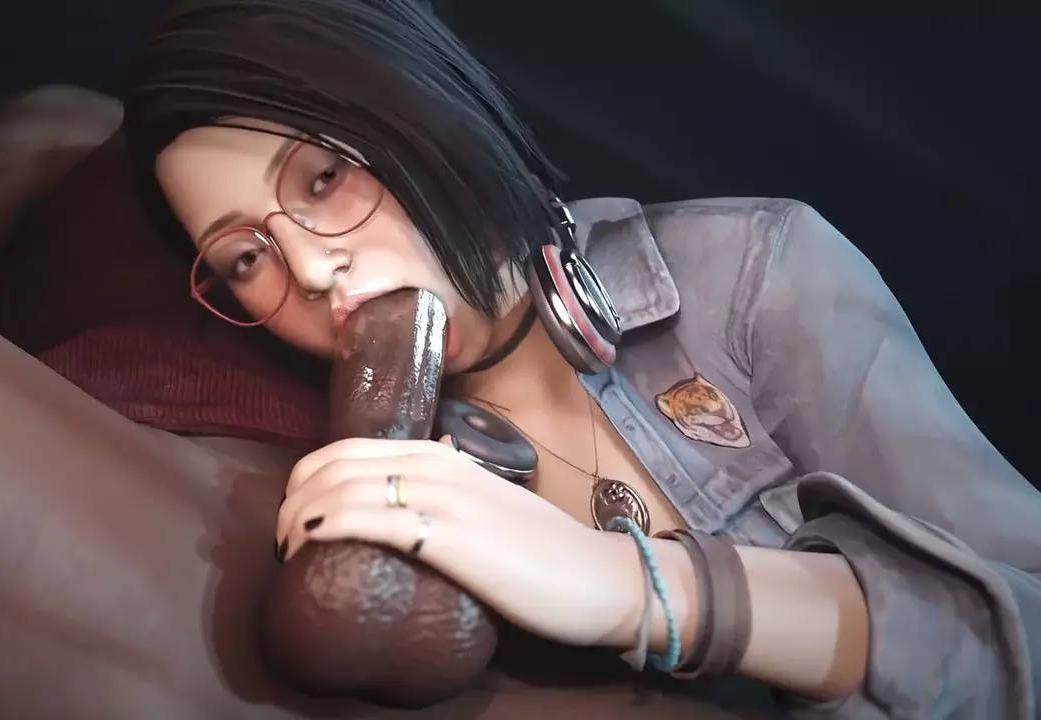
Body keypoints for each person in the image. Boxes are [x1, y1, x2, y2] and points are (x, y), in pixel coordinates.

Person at [119, 0, 1040, 717]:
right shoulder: (378, 466)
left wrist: (629, 589)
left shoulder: (755, 273)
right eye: (246, 259)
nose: (314, 269)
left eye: (323, 178)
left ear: (422, 115)